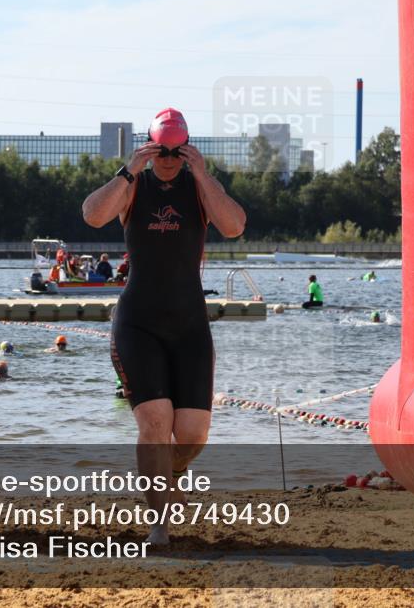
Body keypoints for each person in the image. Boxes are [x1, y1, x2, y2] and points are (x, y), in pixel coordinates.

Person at [82, 107, 246, 545]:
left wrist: (205, 176)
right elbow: (93, 216)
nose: (169, 158)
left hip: (190, 325)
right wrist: (128, 170)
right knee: (154, 422)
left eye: (177, 150)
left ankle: (170, 471)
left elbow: (234, 227)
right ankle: (160, 525)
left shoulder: (200, 188)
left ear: (188, 147)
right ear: (150, 147)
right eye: (161, 150)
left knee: (192, 435)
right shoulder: (134, 186)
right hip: (139, 323)